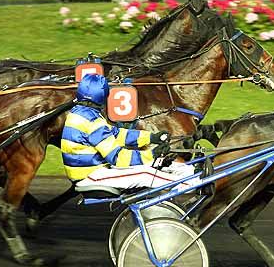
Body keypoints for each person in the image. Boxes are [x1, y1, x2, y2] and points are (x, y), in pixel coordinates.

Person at [61, 73, 197, 190]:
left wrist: (151, 137)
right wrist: (151, 154)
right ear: (102, 96)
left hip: (94, 171)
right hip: (91, 176)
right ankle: (194, 184)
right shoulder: (91, 121)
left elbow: (116, 134)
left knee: (159, 165)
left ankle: (190, 174)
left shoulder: (81, 114)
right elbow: (117, 158)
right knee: (146, 174)